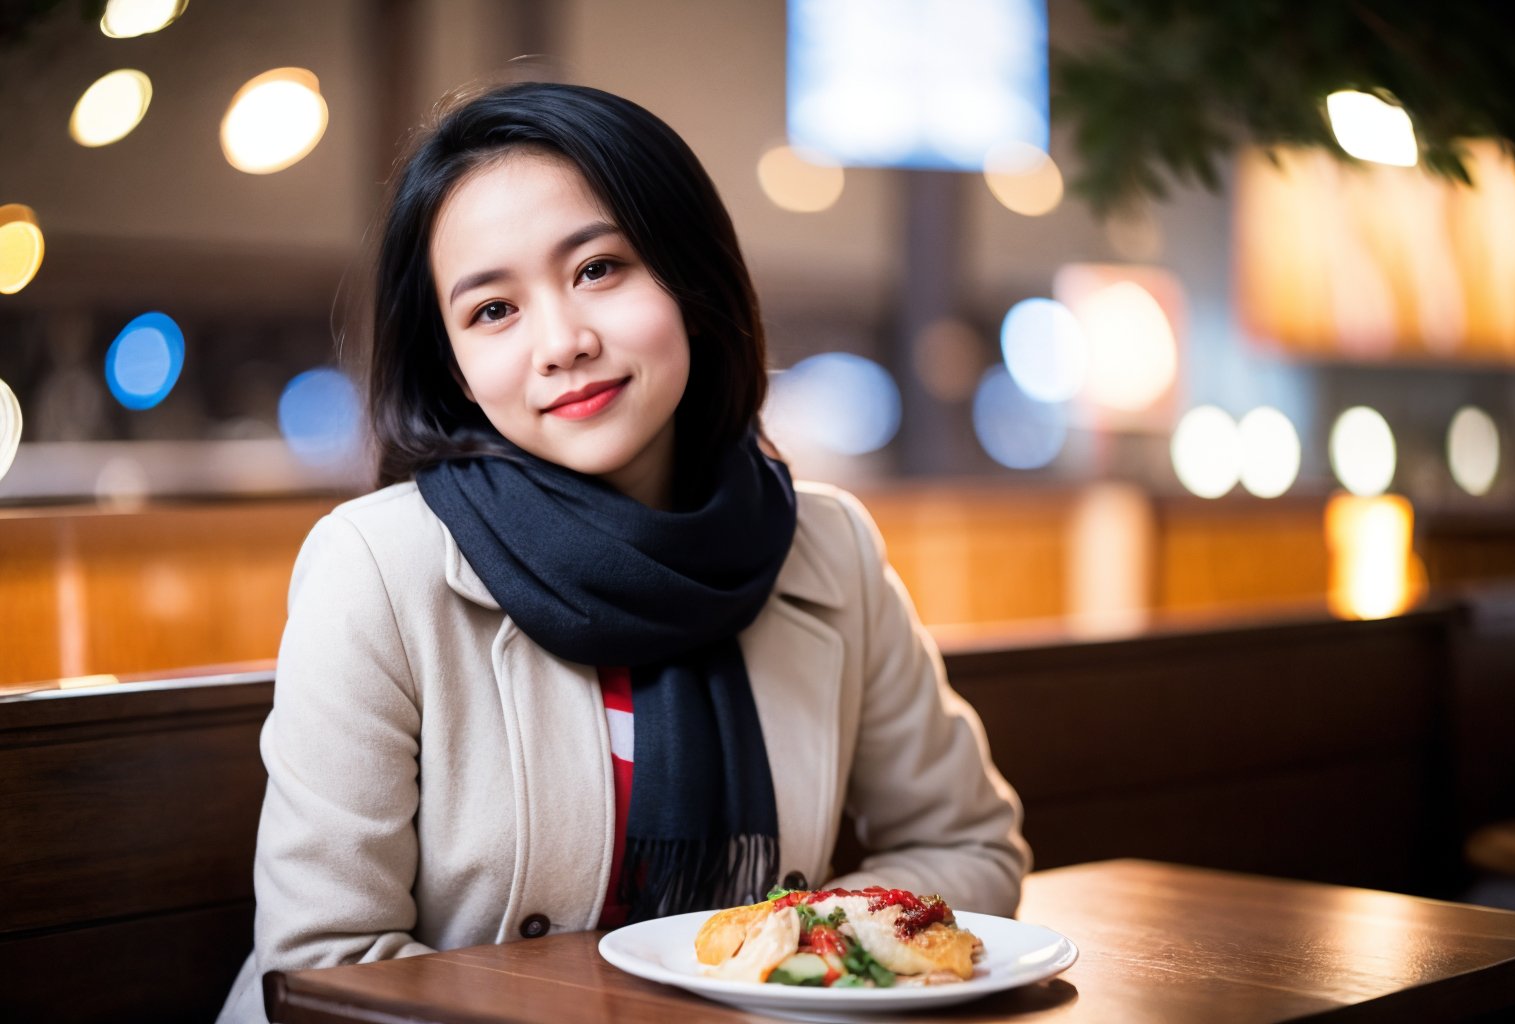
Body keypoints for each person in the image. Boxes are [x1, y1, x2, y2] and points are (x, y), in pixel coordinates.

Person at [217, 81, 1027, 1022]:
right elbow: (326, 964)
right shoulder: (375, 567)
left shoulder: (826, 548)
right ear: (454, 367)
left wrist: (784, 952)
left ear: (689, 275)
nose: (562, 341)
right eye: (492, 311)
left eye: (598, 269)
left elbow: (971, 847)